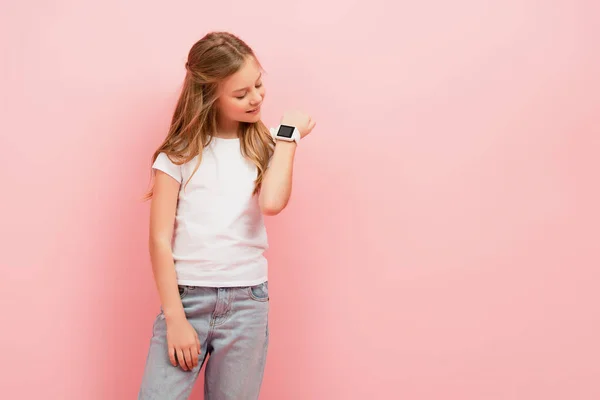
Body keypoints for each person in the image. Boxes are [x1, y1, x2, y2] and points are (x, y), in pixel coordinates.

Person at [138, 31, 316, 400]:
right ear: (209, 95)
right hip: (187, 300)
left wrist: (288, 137)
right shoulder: (179, 154)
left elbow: (271, 203)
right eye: (240, 93)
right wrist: (175, 318)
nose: (256, 98)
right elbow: (158, 239)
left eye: (259, 84)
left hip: (247, 304)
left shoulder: (266, 144)